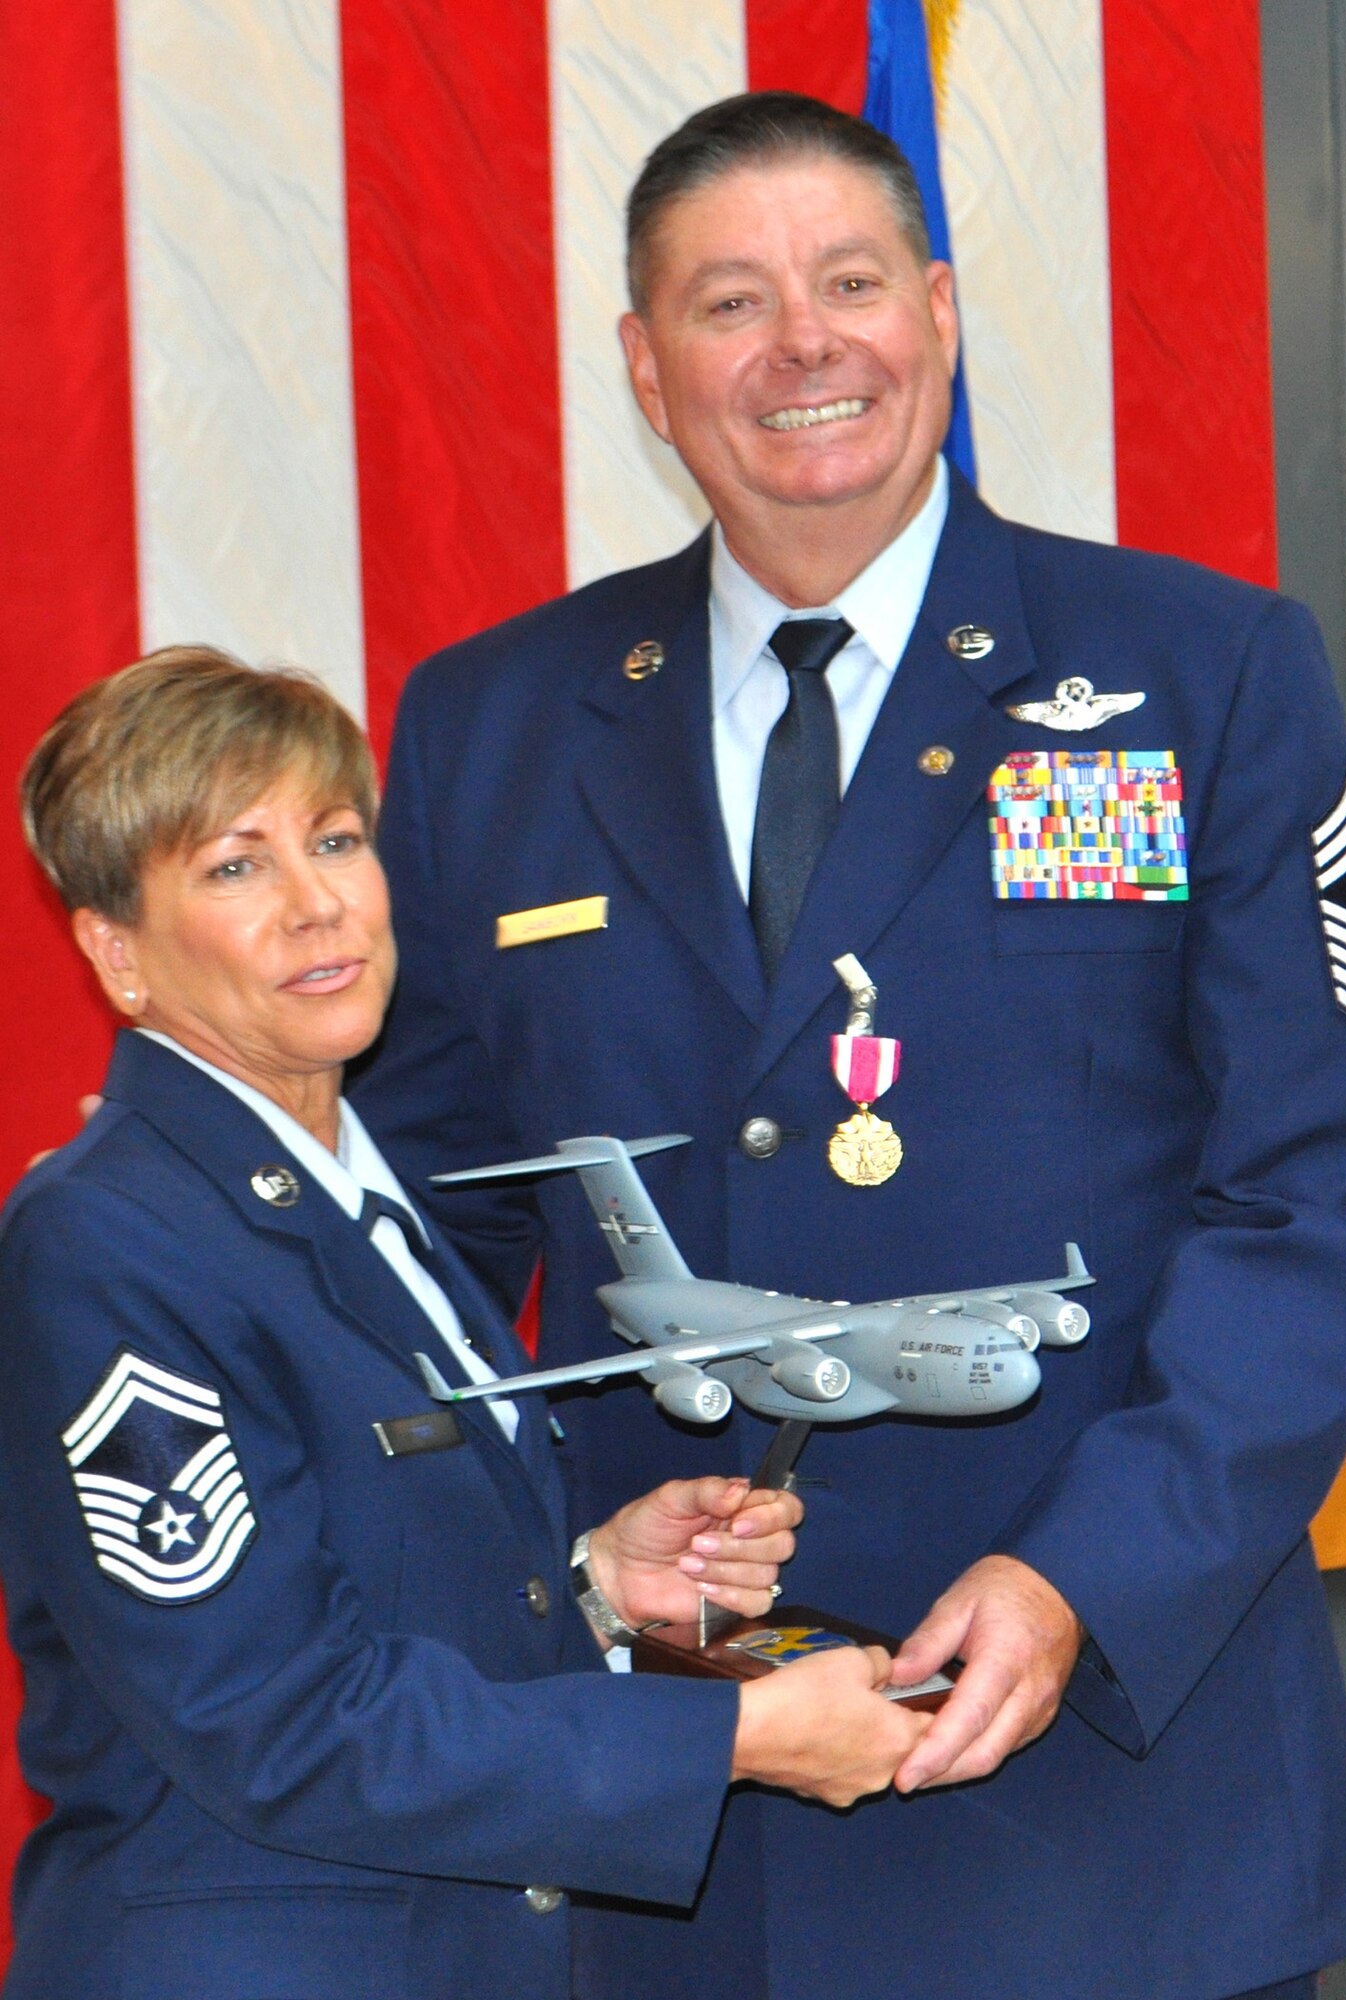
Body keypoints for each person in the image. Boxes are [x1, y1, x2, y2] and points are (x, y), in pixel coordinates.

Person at [351, 88, 1346, 2000]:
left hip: (1115, 1807)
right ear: (643, 364)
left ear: (937, 309)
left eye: (851, 283)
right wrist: (535, 1568)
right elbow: (414, 1243)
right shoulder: (488, 726)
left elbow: (1331, 1190)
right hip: (674, 1828)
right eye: (729, 302)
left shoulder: (1203, 675)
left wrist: (1092, 1578)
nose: (803, 347)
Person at [0, 646, 930, 2000]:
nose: (319, 906)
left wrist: (601, 1588)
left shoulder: (359, 1191)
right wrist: (730, 1739)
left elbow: (363, 1576)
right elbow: (278, 1721)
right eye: (235, 866)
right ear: (117, 954)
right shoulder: (113, 1240)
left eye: (336, 840)